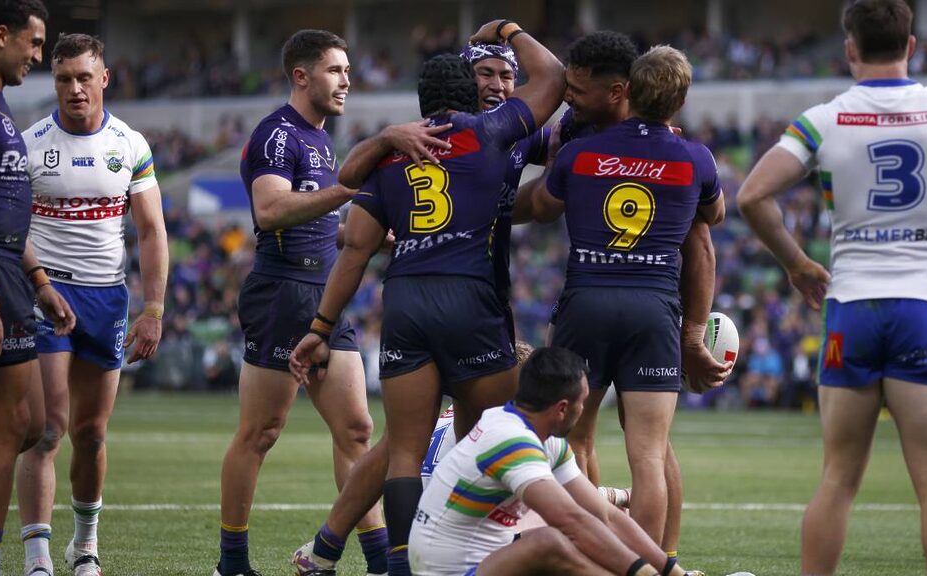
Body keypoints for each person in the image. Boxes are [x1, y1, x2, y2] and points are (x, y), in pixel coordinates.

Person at [291, 20, 565, 576]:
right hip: (474, 298)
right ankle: (487, 545)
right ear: (469, 86)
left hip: (408, 299)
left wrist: (320, 327)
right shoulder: (495, 132)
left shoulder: (392, 157)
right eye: (484, 74)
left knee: (404, 447)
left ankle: (372, 557)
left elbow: (353, 242)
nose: (497, 84)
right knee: (496, 430)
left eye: (505, 75)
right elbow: (557, 83)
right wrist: (510, 29)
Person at [737, 1, 927, 574]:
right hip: (925, 305)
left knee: (837, 479)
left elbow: (752, 196)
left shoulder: (826, 119)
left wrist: (798, 263)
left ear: (849, 49)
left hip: (852, 305)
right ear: (912, 47)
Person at [531, 32, 730, 557]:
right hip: (654, 311)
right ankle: (651, 565)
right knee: (649, 456)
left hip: (587, 302)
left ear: (628, 92)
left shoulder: (579, 153)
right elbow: (714, 217)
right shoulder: (696, 158)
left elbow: (543, 206)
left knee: (574, 441)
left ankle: (595, 558)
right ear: (680, 102)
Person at [216, 30, 401, 576]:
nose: (347, 80)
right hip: (282, 293)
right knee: (261, 433)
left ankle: (377, 560)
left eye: (347, 70)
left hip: (325, 293)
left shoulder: (321, 139)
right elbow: (270, 211)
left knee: (357, 430)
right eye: (335, 70)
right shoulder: (278, 134)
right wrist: (351, 192)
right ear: (302, 76)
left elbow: (317, 219)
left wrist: (364, 231)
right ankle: (232, 563)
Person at [14, 33, 168, 576]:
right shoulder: (29, 143)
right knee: (49, 426)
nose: (75, 88)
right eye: (63, 78)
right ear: (52, 82)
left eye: (84, 77)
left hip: (108, 298)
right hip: (47, 295)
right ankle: (37, 557)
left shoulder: (130, 144)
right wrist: (38, 285)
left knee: (93, 432)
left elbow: (151, 230)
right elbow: (8, 227)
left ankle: (85, 547)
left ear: (104, 78)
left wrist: (153, 308)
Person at [409, 346, 702, 576]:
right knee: (550, 542)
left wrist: (672, 572)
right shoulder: (511, 441)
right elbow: (571, 519)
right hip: (450, 572)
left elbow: (605, 515)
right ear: (562, 408)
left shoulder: (544, 438)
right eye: (583, 401)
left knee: (589, 532)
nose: (584, 409)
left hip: (488, 559)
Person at [0, 2, 75, 575]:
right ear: (1, 35)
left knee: (31, 423)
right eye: (35, 45)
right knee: (11, 424)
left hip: (11, 274)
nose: (38, 57)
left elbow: (6, 209)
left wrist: (38, 281)